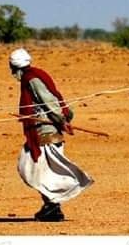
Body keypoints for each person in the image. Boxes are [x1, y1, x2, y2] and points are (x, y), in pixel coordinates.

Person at [10, 48, 93, 222]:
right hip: (42, 131)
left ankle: (53, 205)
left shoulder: (32, 79)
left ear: (14, 66)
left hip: (46, 132)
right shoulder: (32, 76)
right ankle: (52, 206)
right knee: (37, 169)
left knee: (37, 170)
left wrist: (60, 119)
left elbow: (49, 100)